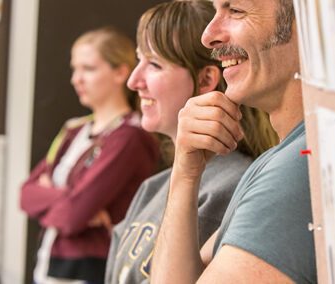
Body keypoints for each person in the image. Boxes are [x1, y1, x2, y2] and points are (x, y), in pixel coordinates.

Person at [104, 1, 279, 283]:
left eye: (154, 64)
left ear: (206, 78)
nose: (134, 81)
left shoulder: (233, 185)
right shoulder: (151, 188)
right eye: (139, 60)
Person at [150, 0, 317, 283]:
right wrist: (185, 174)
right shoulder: (278, 158)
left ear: (306, 23)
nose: (208, 35)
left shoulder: (298, 168)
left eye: (236, 10)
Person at [20, 27, 159, 284]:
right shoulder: (73, 130)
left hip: (92, 270)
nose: (76, 79)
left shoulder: (129, 136)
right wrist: (70, 200)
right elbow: (26, 194)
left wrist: (61, 200)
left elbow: (73, 217)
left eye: (89, 69)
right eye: (75, 69)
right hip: (49, 264)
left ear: (120, 72)